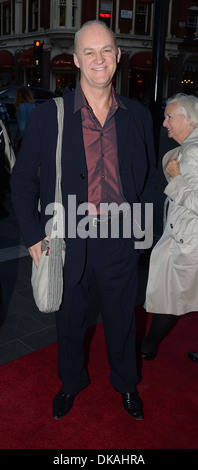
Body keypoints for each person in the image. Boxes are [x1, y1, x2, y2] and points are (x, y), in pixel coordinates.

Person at [11, 21, 157, 420]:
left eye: (106, 50)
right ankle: (70, 383)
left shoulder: (138, 116)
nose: (98, 59)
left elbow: (150, 179)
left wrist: (140, 231)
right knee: (70, 320)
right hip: (67, 235)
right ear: (75, 60)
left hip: (121, 236)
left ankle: (126, 384)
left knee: (122, 320)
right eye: (89, 52)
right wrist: (33, 238)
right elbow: (22, 181)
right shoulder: (48, 117)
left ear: (118, 57)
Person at [141, 93, 198, 360]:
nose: (164, 123)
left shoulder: (192, 151)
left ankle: (148, 346)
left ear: (188, 119)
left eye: (169, 117)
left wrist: (175, 178)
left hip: (186, 243)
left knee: (167, 297)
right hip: (187, 239)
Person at [14, 86, 36, 153]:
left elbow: (22, 128)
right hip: (34, 139)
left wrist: (17, 140)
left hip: (25, 142)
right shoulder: (33, 106)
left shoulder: (22, 107)